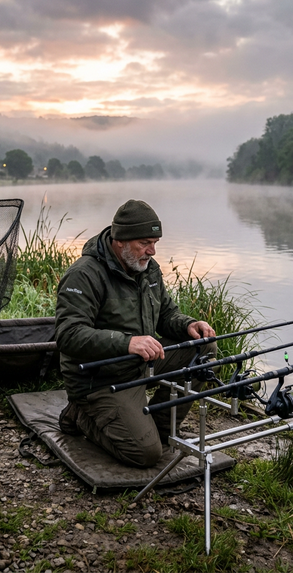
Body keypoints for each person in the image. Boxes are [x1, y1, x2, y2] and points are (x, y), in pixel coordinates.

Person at [54, 199, 217, 468]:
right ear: (120, 240)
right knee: (145, 454)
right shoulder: (84, 274)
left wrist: (188, 324)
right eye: (145, 243)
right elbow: (68, 335)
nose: (152, 251)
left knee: (203, 349)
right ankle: (80, 415)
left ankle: (161, 429)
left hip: (139, 367)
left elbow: (166, 315)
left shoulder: (147, 269)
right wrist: (127, 342)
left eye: (155, 242)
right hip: (99, 379)